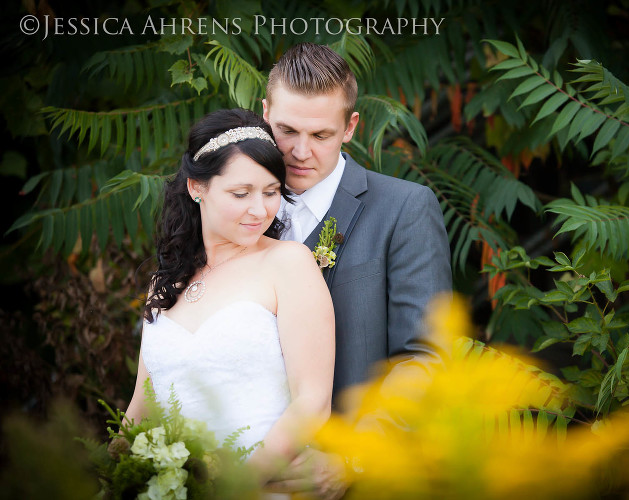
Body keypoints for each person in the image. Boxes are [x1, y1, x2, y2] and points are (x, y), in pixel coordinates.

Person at [262, 43, 452, 499]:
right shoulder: (236, 209)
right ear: (265, 112)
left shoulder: (404, 209)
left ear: (350, 128)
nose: (299, 152)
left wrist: (352, 455)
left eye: (321, 135)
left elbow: (425, 357)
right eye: (286, 130)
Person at [124, 108, 335, 486]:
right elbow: (140, 407)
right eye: (241, 193)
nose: (260, 210)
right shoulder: (164, 283)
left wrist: (232, 485)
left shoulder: (288, 264)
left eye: (271, 193)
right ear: (196, 187)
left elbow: (312, 402)